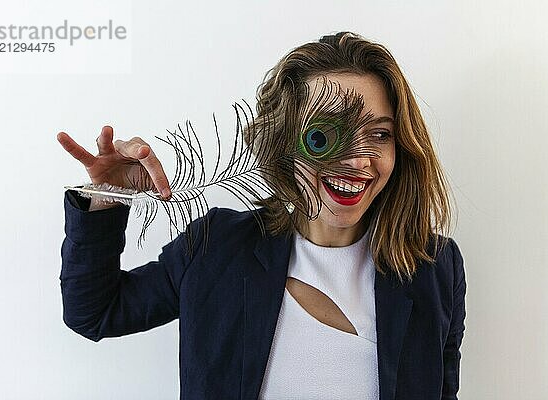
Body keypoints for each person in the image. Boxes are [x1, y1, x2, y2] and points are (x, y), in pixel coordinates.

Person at [57, 31, 466, 400]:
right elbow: (94, 312)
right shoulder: (216, 248)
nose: (358, 160)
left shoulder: (434, 268)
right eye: (324, 135)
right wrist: (109, 196)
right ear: (284, 142)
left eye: (379, 134)